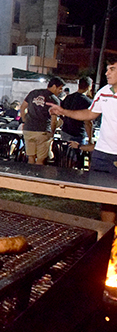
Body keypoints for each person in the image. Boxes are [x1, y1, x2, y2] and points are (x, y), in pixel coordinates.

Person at [48, 63, 117, 223]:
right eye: (106, 69)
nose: (106, 72)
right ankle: (107, 238)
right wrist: (63, 111)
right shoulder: (104, 92)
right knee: (106, 201)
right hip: (102, 155)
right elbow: (90, 114)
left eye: (112, 69)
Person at [20, 76, 65, 164]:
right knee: (41, 159)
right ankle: (37, 176)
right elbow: (54, 119)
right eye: (60, 88)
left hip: (28, 129)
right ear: (54, 86)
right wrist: (52, 132)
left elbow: (22, 108)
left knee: (31, 157)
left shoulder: (33, 93)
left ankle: (29, 175)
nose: (60, 91)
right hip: (43, 131)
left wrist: (25, 120)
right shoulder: (54, 99)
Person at [60, 76, 93, 145]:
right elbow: (88, 122)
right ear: (89, 87)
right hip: (78, 133)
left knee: (64, 153)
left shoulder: (68, 97)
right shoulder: (87, 102)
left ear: (78, 85)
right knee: (77, 154)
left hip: (65, 131)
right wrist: (90, 138)